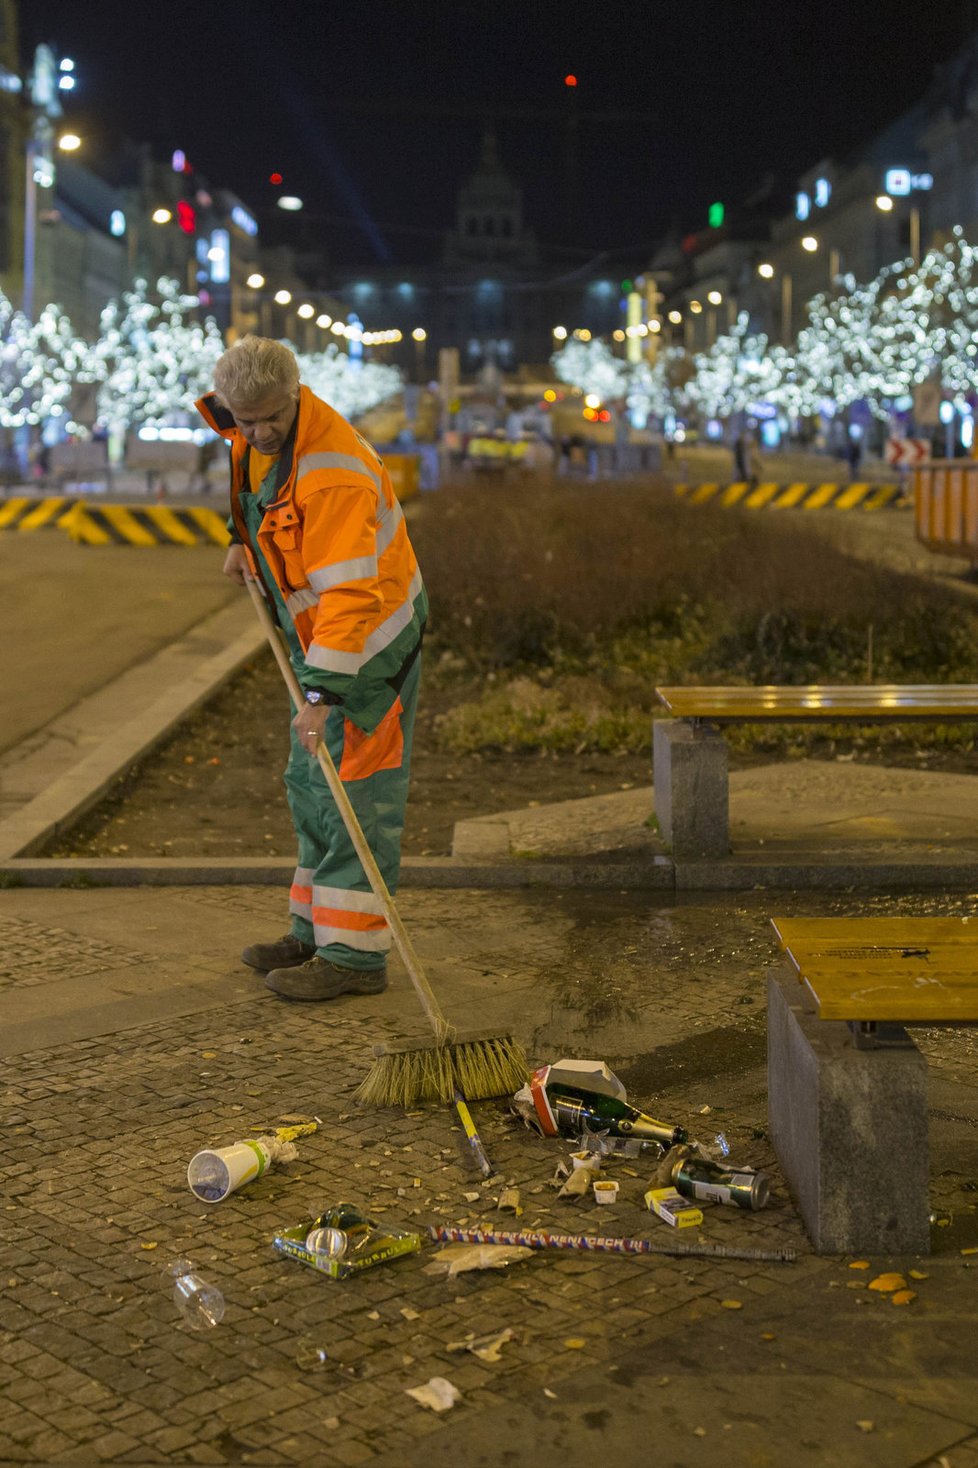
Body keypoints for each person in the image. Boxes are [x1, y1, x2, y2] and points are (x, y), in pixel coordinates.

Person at [196, 337, 427, 1002]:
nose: (258, 432)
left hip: (370, 642)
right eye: (246, 420)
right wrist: (241, 542)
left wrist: (323, 692)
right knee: (309, 777)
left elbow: (355, 595)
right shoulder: (246, 428)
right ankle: (315, 930)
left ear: (296, 396)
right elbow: (252, 492)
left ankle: (355, 958)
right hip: (317, 633)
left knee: (356, 788)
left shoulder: (334, 473)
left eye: (272, 418)